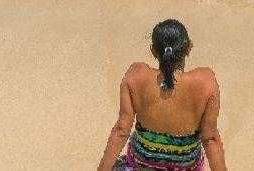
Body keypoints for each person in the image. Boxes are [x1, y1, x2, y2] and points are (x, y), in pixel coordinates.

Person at [97, 19, 227, 171]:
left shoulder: (136, 75)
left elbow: (121, 129)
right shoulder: (205, 82)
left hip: (141, 166)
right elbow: (210, 139)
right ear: (189, 48)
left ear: (153, 50)